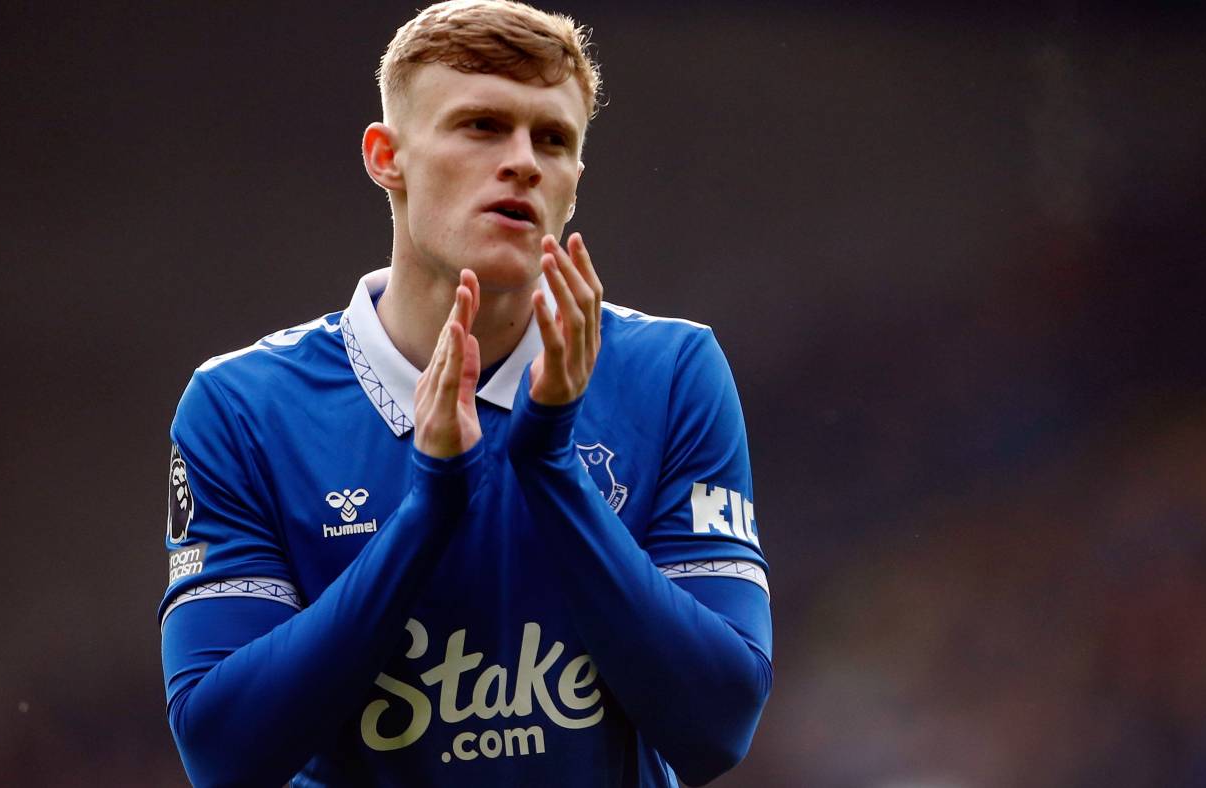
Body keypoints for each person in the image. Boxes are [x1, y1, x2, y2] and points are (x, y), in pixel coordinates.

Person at [158, 1, 772, 785]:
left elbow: (717, 727)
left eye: (552, 139)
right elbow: (224, 755)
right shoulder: (242, 408)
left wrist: (551, 464)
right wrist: (429, 508)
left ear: (574, 183)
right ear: (387, 157)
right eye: (482, 126)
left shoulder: (672, 372)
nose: (523, 161)